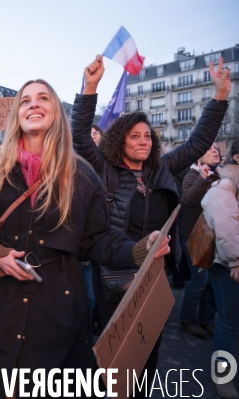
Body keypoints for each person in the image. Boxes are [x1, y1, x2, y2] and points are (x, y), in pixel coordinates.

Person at [0, 76, 170, 398]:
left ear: (57, 112)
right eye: (27, 99)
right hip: (4, 303)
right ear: (17, 113)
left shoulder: (83, 175)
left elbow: (98, 238)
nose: (34, 103)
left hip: (59, 308)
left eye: (44, 98)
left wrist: (142, 248)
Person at [72, 55, 230, 396]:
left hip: (154, 270)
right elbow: (80, 137)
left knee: (148, 344)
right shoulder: (105, 169)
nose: (144, 141)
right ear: (120, 141)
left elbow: (197, 143)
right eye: (134, 136)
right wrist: (89, 88)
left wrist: (219, 97)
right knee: (117, 349)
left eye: (147, 136)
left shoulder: (162, 168)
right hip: (114, 271)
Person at [201, 140, 239, 399]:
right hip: (226, 266)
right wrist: (235, 260)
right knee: (229, 323)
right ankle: (223, 378)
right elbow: (226, 227)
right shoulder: (224, 187)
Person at [179, 144, 220, 338]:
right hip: (193, 236)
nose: (216, 151)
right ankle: (188, 319)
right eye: (210, 149)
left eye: (217, 148)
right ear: (198, 158)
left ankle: (207, 319)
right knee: (200, 279)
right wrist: (203, 178)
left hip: (212, 237)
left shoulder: (220, 176)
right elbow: (188, 200)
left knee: (211, 281)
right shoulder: (192, 176)